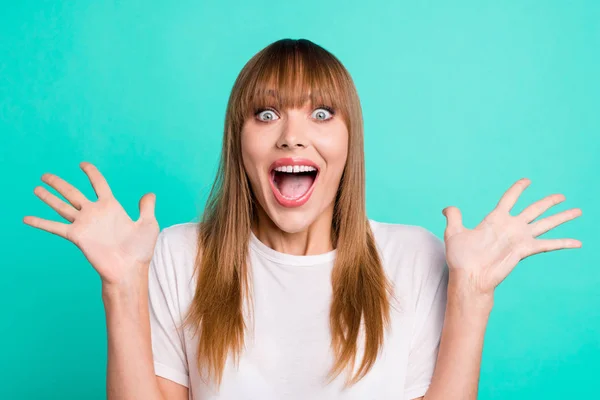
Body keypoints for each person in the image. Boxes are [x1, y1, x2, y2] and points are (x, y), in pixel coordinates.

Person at [23, 38, 583, 400]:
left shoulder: (412, 257)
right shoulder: (178, 253)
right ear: (238, 143)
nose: (292, 134)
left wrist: (472, 296)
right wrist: (122, 288)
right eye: (266, 114)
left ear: (348, 140)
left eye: (320, 113)